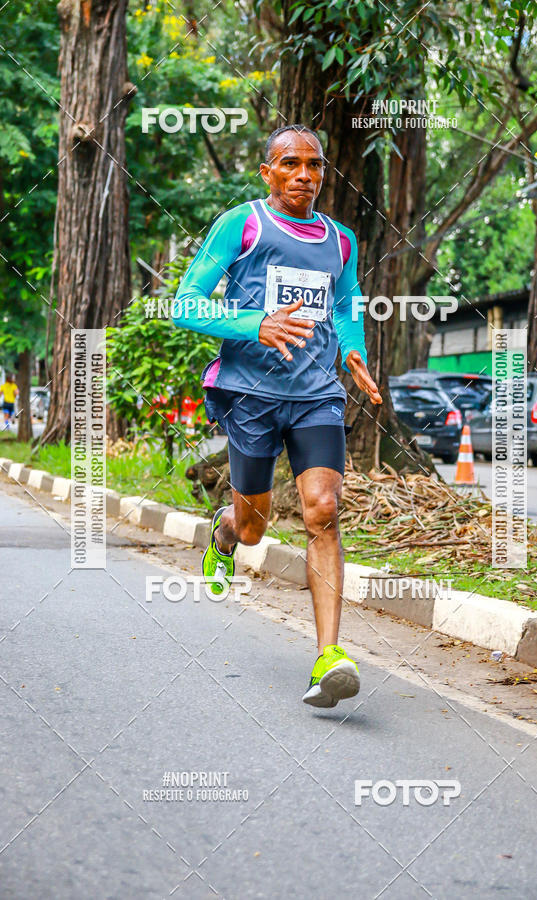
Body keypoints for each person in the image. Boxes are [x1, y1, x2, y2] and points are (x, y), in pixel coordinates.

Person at [173, 124, 382, 708]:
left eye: (314, 165)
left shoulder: (340, 240)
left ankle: (329, 657)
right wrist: (254, 325)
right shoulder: (243, 224)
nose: (304, 176)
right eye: (290, 164)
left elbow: (344, 303)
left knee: (323, 509)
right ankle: (225, 530)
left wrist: (351, 349)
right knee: (254, 527)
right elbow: (185, 304)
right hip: (250, 393)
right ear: (268, 172)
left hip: (316, 393)